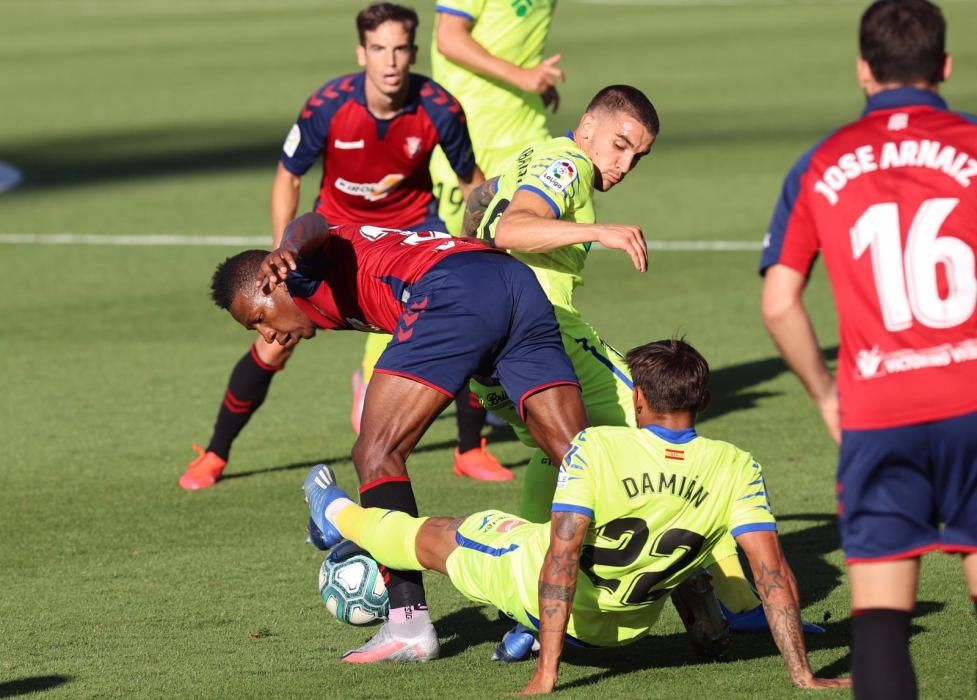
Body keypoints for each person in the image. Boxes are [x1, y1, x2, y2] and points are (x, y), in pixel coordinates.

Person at [304, 339, 849, 694]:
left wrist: (549, 676)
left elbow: (562, 557)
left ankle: (337, 515)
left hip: (552, 601)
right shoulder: (736, 466)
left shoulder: (598, 448)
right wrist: (803, 674)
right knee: (685, 547)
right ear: (702, 400)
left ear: (637, 400)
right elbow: (772, 573)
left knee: (440, 535)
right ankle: (702, 622)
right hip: (632, 630)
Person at [464, 85, 781, 640]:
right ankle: (737, 599)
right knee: (669, 434)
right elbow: (512, 227)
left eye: (638, 156)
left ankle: (534, 612)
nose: (625, 163)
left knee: (563, 456)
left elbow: (478, 215)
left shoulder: (532, 154)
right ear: (587, 126)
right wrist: (598, 230)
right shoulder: (565, 167)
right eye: (619, 145)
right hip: (547, 334)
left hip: (488, 353)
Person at [212, 211, 587, 662]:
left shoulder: (300, 273)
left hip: (452, 288)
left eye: (258, 318)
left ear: (273, 280)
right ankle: (681, 580)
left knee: (376, 450)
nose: (267, 333)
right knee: (580, 461)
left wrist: (287, 245)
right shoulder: (308, 286)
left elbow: (315, 226)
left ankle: (407, 623)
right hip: (512, 280)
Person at [181, 1, 492, 491]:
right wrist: (278, 255)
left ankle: (470, 449)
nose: (390, 61)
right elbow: (289, 176)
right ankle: (216, 453)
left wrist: (486, 237)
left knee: (464, 316)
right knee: (273, 343)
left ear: (413, 51)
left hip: (411, 232)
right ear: (361, 52)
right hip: (328, 232)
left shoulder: (440, 107)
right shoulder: (328, 106)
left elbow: (471, 181)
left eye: (399, 49)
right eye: (378, 49)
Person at [759, 2, 977, 697]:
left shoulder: (820, 162)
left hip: (879, 411)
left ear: (861, 70)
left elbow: (777, 302)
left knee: (879, 623)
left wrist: (827, 395)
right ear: (943, 66)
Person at [352, 0, 566, 483]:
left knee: (513, 274)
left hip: (520, 131)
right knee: (430, 273)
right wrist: (522, 76)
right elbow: (449, 37)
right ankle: (373, 379)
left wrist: (530, 88)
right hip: (468, 134)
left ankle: (477, 435)